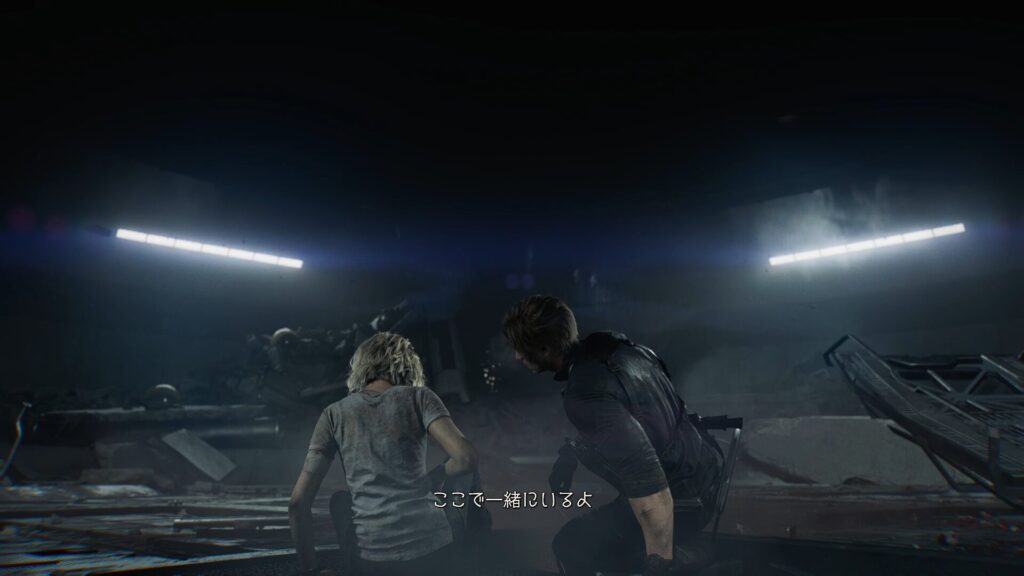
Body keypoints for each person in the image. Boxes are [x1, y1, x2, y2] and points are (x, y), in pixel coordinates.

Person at [503, 295, 724, 576]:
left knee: (571, 544)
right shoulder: (625, 349)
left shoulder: (585, 394)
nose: (516, 356)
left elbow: (654, 497)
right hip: (706, 477)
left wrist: (659, 565)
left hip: (681, 502)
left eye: (520, 348)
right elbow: (647, 420)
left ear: (545, 348)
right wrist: (570, 455)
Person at [289, 332, 483, 576]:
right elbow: (466, 458)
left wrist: (310, 570)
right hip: (432, 551)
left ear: (362, 367)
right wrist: (435, 476)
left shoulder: (333, 414)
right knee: (465, 474)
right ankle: (477, 559)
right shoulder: (420, 398)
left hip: (372, 560)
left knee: (340, 501)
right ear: (407, 365)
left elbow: (297, 503)